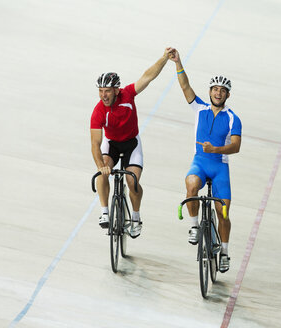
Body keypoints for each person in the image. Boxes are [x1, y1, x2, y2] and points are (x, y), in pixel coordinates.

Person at [169, 49, 242, 273]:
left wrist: (217, 148)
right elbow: (184, 86)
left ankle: (225, 252)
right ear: (209, 91)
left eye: (222, 90)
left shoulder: (233, 118)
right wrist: (178, 62)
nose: (218, 93)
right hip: (200, 162)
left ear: (228, 95)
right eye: (215, 89)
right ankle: (194, 227)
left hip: (220, 167)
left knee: (224, 213)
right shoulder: (199, 108)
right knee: (190, 184)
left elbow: (236, 146)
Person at [90, 47, 174, 238]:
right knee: (101, 174)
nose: (104, 95)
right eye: (101, 91)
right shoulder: (98, 111)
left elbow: (148, 76)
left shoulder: (128, 94)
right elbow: (95, 144)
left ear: (116, 90)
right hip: (111, 144)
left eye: (107, 91)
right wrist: (101, 166)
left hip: (131, 144)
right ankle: (104, 212)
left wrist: (163, 58)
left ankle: (135, 217)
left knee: (132, 181)